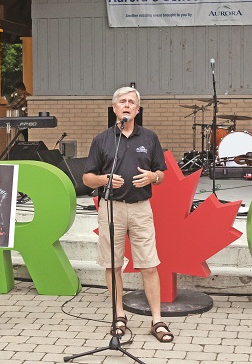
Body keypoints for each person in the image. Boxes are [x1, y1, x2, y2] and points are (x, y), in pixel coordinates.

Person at [82, 86, 173, 343]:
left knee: (149, 264)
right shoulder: (102, 140)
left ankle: (157, 320)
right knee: (113, 265)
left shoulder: (150, 138)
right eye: (122, 101)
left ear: (138, 109)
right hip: (111, 208)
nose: (127, 105)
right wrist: (105, 179)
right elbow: (87, 178)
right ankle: (119, 316)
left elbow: (161, 174)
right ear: (114, 108)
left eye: (131, 102)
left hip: (141, 209)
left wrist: (153, 177)